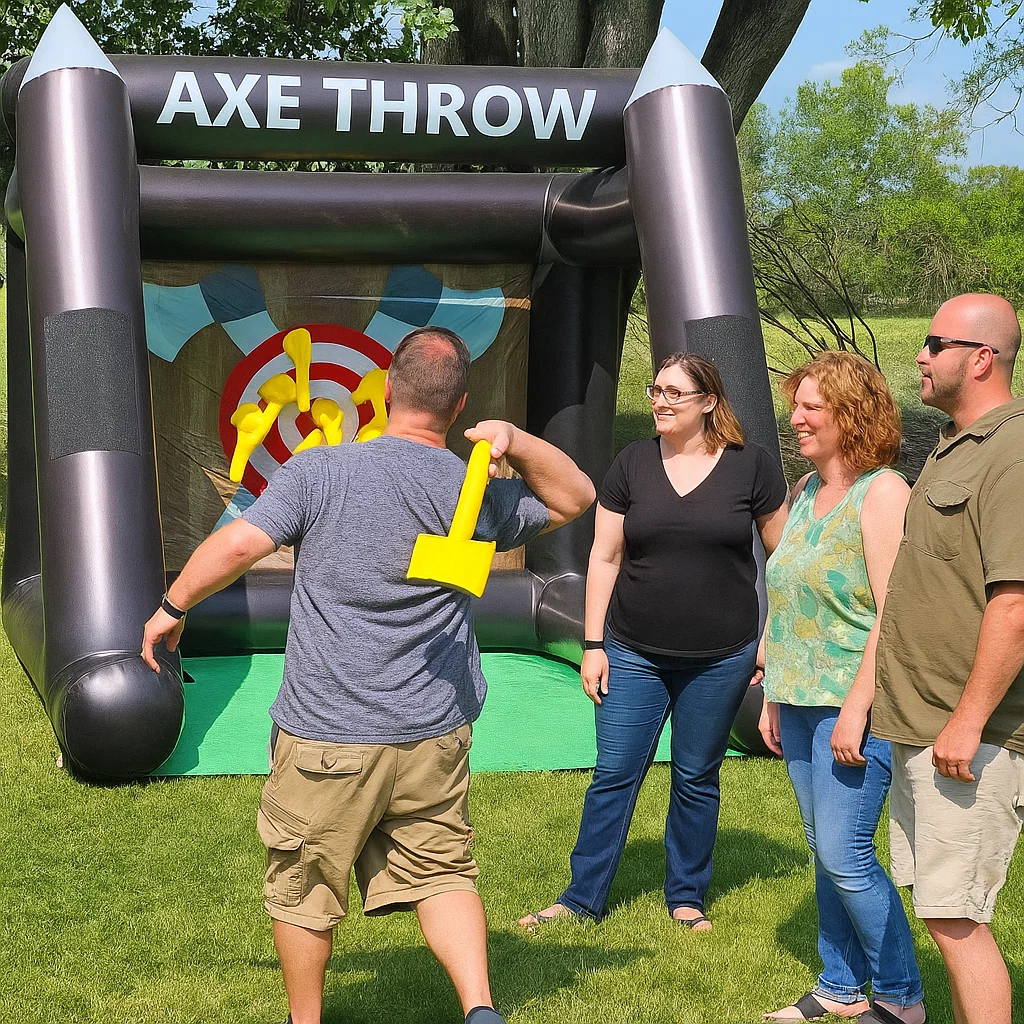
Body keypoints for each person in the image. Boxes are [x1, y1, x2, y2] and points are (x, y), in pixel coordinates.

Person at [141, 327, 596, 1024]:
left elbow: (237, 544)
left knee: (303, 887)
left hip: (328, 735)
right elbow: (574, 496)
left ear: (384, 389)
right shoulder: (470, 489)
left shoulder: (320, 471)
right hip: (433, 734)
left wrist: (172, 608)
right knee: (442, 872)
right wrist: (516, 439)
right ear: (460, 404)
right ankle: (479, 1010)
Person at [519, 352, 788, 931]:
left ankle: (686, 896)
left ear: (708, 402)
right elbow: (604, 556)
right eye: (656, 390)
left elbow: (784, 560)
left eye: (674, 393)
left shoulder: (752, 467)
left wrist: (770, 638)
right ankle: (580, 898)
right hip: (632, 650)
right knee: (614, 774)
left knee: (696, 776)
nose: (660, 401)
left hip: (723, 656)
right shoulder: (632, 462)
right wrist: (594, 645)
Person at [757, 352, 925, 1024]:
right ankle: (839, 985)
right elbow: (786, 596)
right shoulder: (805, 489)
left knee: (845, 854)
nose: (795, 418)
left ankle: (902, 997)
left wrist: (858, 708)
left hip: (851, 703)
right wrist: (773, 693)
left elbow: (893, 611)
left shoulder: (882, 493)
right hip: (797, 701)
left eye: (810, 407)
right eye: (795, 405)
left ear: (851, 414)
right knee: (824, 852)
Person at [872, 293, 1024, 1024]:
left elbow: (1015, 605)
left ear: (983, 358)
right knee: (943, 913)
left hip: (970, 735)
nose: (920, 355)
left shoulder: (1013, 451)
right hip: (926, 725)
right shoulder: (951, 445)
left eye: (936, 344)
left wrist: (967, 722)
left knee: (958, 921)